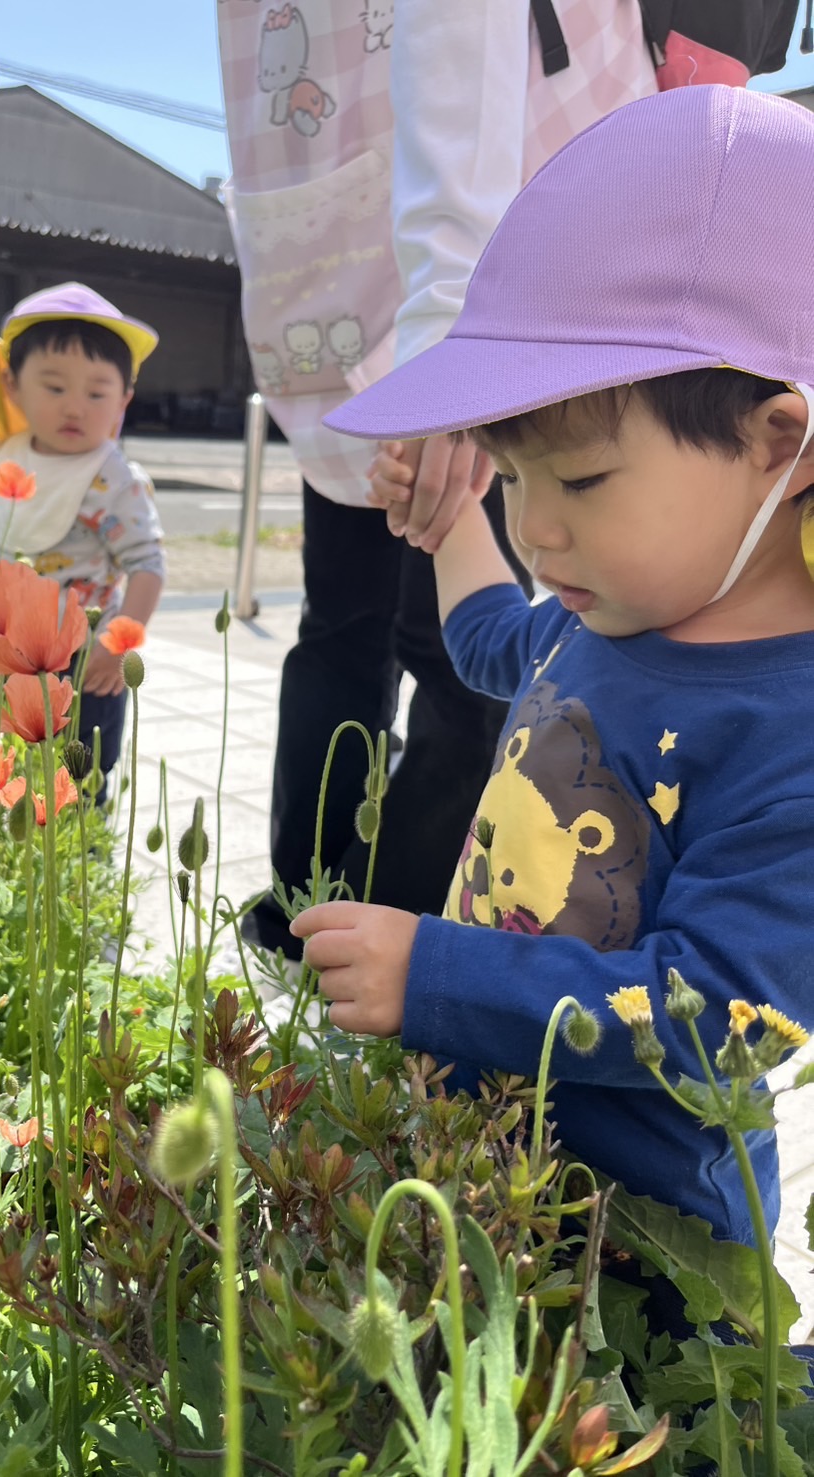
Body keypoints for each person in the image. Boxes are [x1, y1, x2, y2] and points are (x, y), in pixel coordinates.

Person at [292, 85, 814, 1247]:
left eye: (578, 480)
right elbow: (490, 638)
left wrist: (435, 977)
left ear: (776, 444)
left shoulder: (791, 734)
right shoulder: (612, 613)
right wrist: (451, 524)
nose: (536, 531)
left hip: (635, 1245)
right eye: (515, 477)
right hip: (488, 1163)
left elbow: (717, 1020)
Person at [216, 0, 657, 957]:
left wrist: (454, 332)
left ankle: (343, 918)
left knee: (383, 642)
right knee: (438, 661)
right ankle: (360, 926)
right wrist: (457, 327)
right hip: (451, 244)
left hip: (380, 250)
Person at [0, 283, 166, 783]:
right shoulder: (14, 455)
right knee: (15, 768)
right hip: (14, 647)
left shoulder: (114, 478)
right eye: (55, 388)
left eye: (97, 393)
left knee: (82, 776)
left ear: (123, 400)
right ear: (13, 385)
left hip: (87, 657)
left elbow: (148, 566)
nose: (75, 407)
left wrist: (117, 646)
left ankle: (90, 829)